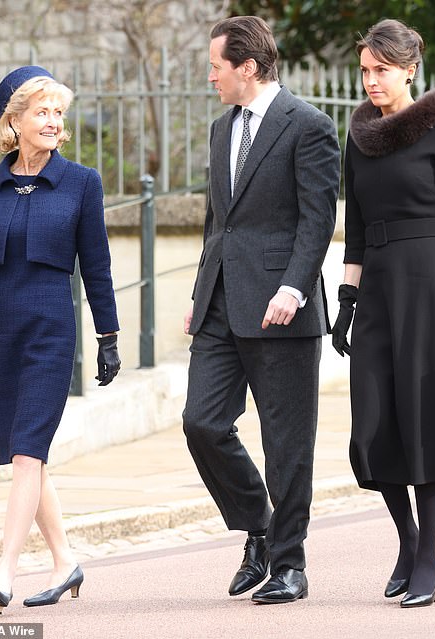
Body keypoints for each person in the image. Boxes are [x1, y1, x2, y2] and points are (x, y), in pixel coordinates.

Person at [332, 19, 435, 608]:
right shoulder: (359, 133)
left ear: (408, 70)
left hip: (429, 285)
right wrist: (347, 299)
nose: (371, 81)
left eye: (381, 70)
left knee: (423, 420)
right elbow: (352, 226)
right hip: (376, 288)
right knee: (374, 426)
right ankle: (408, 540)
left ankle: (428, 558)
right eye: (365, 71)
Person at [182, 16, 340, 604]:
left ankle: (290, 565)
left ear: (247, 67)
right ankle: (260, 527)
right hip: (221, 303)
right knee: (201, 422)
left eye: (216, 65)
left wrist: (294, 288)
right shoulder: (222, 129)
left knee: (287, 441)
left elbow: (317, 217)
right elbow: (216, 222)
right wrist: (201, 295)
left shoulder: (310, 126)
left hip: (282, 307)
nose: (210, 75)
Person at [0, 66, 121, 613]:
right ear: (15, 120)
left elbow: (96, 267)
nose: (54, 122)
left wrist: (108, 336)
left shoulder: (82, 183)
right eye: (42, 112)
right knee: (26, 457)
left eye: (58, 112)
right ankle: (64, 561)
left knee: (28, 454)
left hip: (50, 333)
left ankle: (4, 569)